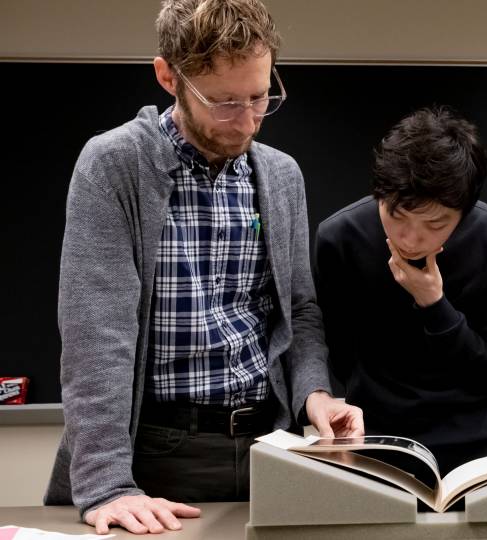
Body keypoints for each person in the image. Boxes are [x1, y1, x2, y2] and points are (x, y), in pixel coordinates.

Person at [44, 0, 362, 534]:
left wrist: (316, 393)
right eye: (223, 102)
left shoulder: (281, 176)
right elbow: (96, 334)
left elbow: (299, 309)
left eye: (260, 98)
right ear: (168, 76)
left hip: (270, 443)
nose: (246, 122)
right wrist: (106, 485)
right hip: (160, 454)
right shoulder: (113, 165)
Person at [313, 106, 487, 481]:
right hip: (374, 443)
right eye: (396, 217)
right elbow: (341, 356)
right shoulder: (339, 239)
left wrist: (434, 304)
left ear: (464, 213)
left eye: (435, 224)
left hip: (471, 450)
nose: (410, 238)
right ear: (379, 195)